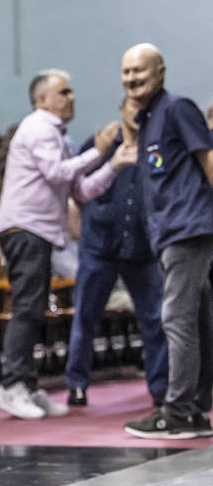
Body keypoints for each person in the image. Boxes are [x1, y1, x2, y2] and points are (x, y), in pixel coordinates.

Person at [0, 69, 134, 420]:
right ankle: (11, 386)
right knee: (27, 308)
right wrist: (98, 152)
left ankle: (25, 382)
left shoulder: (58, 136)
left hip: (37, 231)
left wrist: (112, 164)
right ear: (41, 100)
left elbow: (80, 190)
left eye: (72, 91)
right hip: (24, 228)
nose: (72, 97)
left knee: (35, 308)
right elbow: (57, 173)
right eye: (63, 92)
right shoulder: (38, 126)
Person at [120, 44, 213, 438]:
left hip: (187, 230)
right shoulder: (149, 119)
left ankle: (176, 412)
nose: (131, 78)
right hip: (170, 234)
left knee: (176, 320)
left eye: (139, 70)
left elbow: (208, 159)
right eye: (126, 72)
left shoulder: (176, 108)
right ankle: (193, 409)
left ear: (160, 72)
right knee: (196, 320)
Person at [65, 96, 168, 408]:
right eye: (133, 108)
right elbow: (76, 189)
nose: (138, 114)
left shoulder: (158, 149)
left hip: (142, 248)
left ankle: (161, 387)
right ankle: (77, 384)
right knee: (85, 316)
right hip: (100, 246)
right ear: (121, 109)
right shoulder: (100, 145)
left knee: (156, 319)